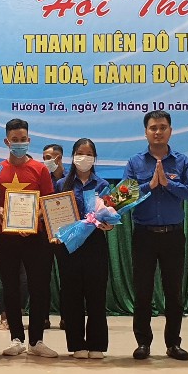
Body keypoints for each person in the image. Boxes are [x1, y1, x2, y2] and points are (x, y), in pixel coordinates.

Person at [124, 110, 188, 361]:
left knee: (174, 293)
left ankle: (173, 344)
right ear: (146, 132)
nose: (158, 132)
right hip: (144, 236)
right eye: (153, 128)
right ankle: (143, 343)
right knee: (143, 293)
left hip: (173, 236)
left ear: (170, 131)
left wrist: (168, 183)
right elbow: (124, 197)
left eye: (163, 127)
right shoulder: (135, 162)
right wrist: (150, 185)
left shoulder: (182, 161)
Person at [0, 118, 58, 358]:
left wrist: (32, 218)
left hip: (36, 236)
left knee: (39, 287)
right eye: (14, 140)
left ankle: (37, 341)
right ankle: (16, 339)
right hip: (6, 237)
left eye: (23, 139)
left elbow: (47, 201)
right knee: (11, 287)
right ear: (7, 141)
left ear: (29, 140)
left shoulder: (40, 169)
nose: (19, 143)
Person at [54, 138, 113, 359]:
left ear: (94, 158)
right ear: (73, 156)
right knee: (72, 296)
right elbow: (53, 215)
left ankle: (97, 344)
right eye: (80, 153)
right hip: (69, 246)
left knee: (96, 295)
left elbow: (110, 214)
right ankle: (76, 344)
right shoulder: (62, 184)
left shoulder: (103, 185)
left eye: (89, 154)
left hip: (95, 245)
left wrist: (109, 225)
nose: (84, 158)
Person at [43, 143, 66, 330]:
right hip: (44, 233)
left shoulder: (71, 178)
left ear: (60, 158)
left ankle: (67, 316)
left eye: (50, 157)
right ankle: (43, 317)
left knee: (67, 276)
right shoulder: (42, 177)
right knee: (42, 276)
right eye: (45, 158)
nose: (47, 161)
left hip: (66, 234)